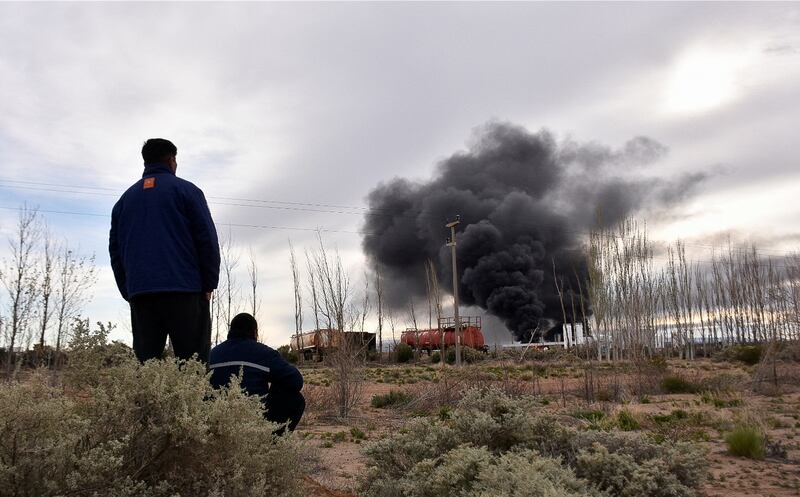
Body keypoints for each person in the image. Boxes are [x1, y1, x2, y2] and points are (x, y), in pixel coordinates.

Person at [109, 138, 220, 363]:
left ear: (145, 161)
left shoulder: (124, 201)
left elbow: (116, 252)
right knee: (193, 368)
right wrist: (208, 284)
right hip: (185, 291)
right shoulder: (187, 191)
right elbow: (206, 239)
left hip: (142, 295)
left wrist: (129, 291)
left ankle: (150, 400)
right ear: (172, 160)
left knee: (148, 370)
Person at [209, 313, 305, 434]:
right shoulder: (264, 353)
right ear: (255, 332)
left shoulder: (212, 354)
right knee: (295, 399)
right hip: (254, 423)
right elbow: (296, 381)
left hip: (216, 421)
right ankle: (271, 445)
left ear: (231, 331)